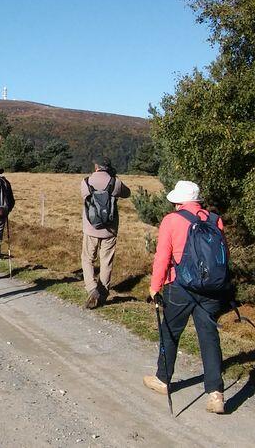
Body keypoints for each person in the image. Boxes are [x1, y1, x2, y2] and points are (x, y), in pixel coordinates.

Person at [144, 180, 227, 414]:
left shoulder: (172, 220)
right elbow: (223, 255)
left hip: (180, 286)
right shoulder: (214, 219)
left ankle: (163, 380)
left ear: (178, 200)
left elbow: (162, 256)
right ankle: (215, 394)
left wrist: (154, 286)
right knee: (209, 337)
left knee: (170, 332)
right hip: (211, 289)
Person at [80, 157, 130, 309]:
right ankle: (102, 295)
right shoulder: (115, 183)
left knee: (87, 258)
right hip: (110, 229)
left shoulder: (86, 182)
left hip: (91, 228)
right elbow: (127, 193)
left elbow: (84, 198)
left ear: (96, 167)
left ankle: (91, 288)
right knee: (106, 262)